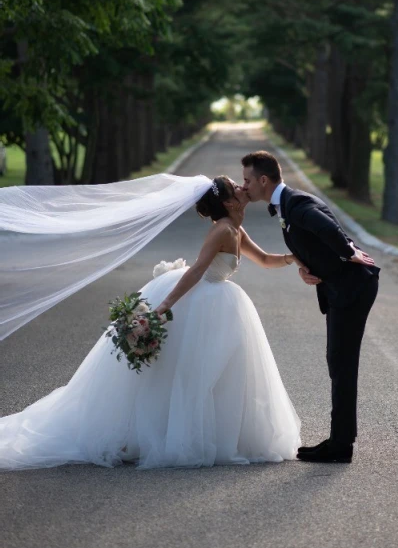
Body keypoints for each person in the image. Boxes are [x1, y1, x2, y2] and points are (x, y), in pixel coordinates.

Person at [0, 176, 301, 470]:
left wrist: (295, 258)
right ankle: (163, 433)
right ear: (226, 201)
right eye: (235, 187)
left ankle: (220, 433)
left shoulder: (237, 229)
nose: (241, 187)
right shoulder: (221, 230)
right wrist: (165, 306)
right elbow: (197, 271)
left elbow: (264, 259)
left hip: (221, 300)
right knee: (188, 372)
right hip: (202, 300)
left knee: (218, 370)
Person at [242, 151, 379, 464]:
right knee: (337, 361)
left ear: (263, 180)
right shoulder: (286, 204)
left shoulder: (297, 203)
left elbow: (326, 228)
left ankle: (340, 445)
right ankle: (339, 440)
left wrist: (348, 252)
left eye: (247, 180)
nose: (244, 186)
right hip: (338, 288)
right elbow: (307, 239)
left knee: (342, 362)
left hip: (353, 287)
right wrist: (305, 267)